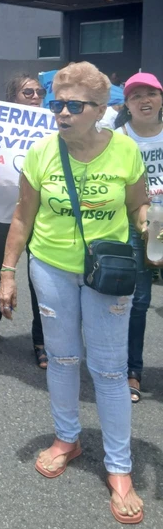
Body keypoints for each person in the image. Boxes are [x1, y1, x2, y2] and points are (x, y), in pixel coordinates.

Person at [0, 62, 150, 525]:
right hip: (51, 269)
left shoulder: (125, 151)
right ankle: (67, 438)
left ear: (101, 110)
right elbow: (23, 217)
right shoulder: (41, 153)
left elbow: (139, 204)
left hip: (109, 272)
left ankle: (119, 467)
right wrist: (8, 272)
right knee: (62, 359)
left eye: (73, 106)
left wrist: (149, 229)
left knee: (108, 370)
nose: (61, 113)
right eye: (55, 104)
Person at [0, 75, 47, 369]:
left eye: (39, 91)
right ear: (13, 98)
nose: (34, 96)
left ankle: (41, 339)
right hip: (7, 210)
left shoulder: (51, 124)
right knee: (1, 269)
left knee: (41, 277)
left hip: (44, 213)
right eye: (27, 91)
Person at [115, 72, 163, 403]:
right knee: (139, 302)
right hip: (136, 227)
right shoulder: (118, 138)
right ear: (127, 104)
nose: (144, 100)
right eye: (136, 96)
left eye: (151, 94)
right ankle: (133, 371)